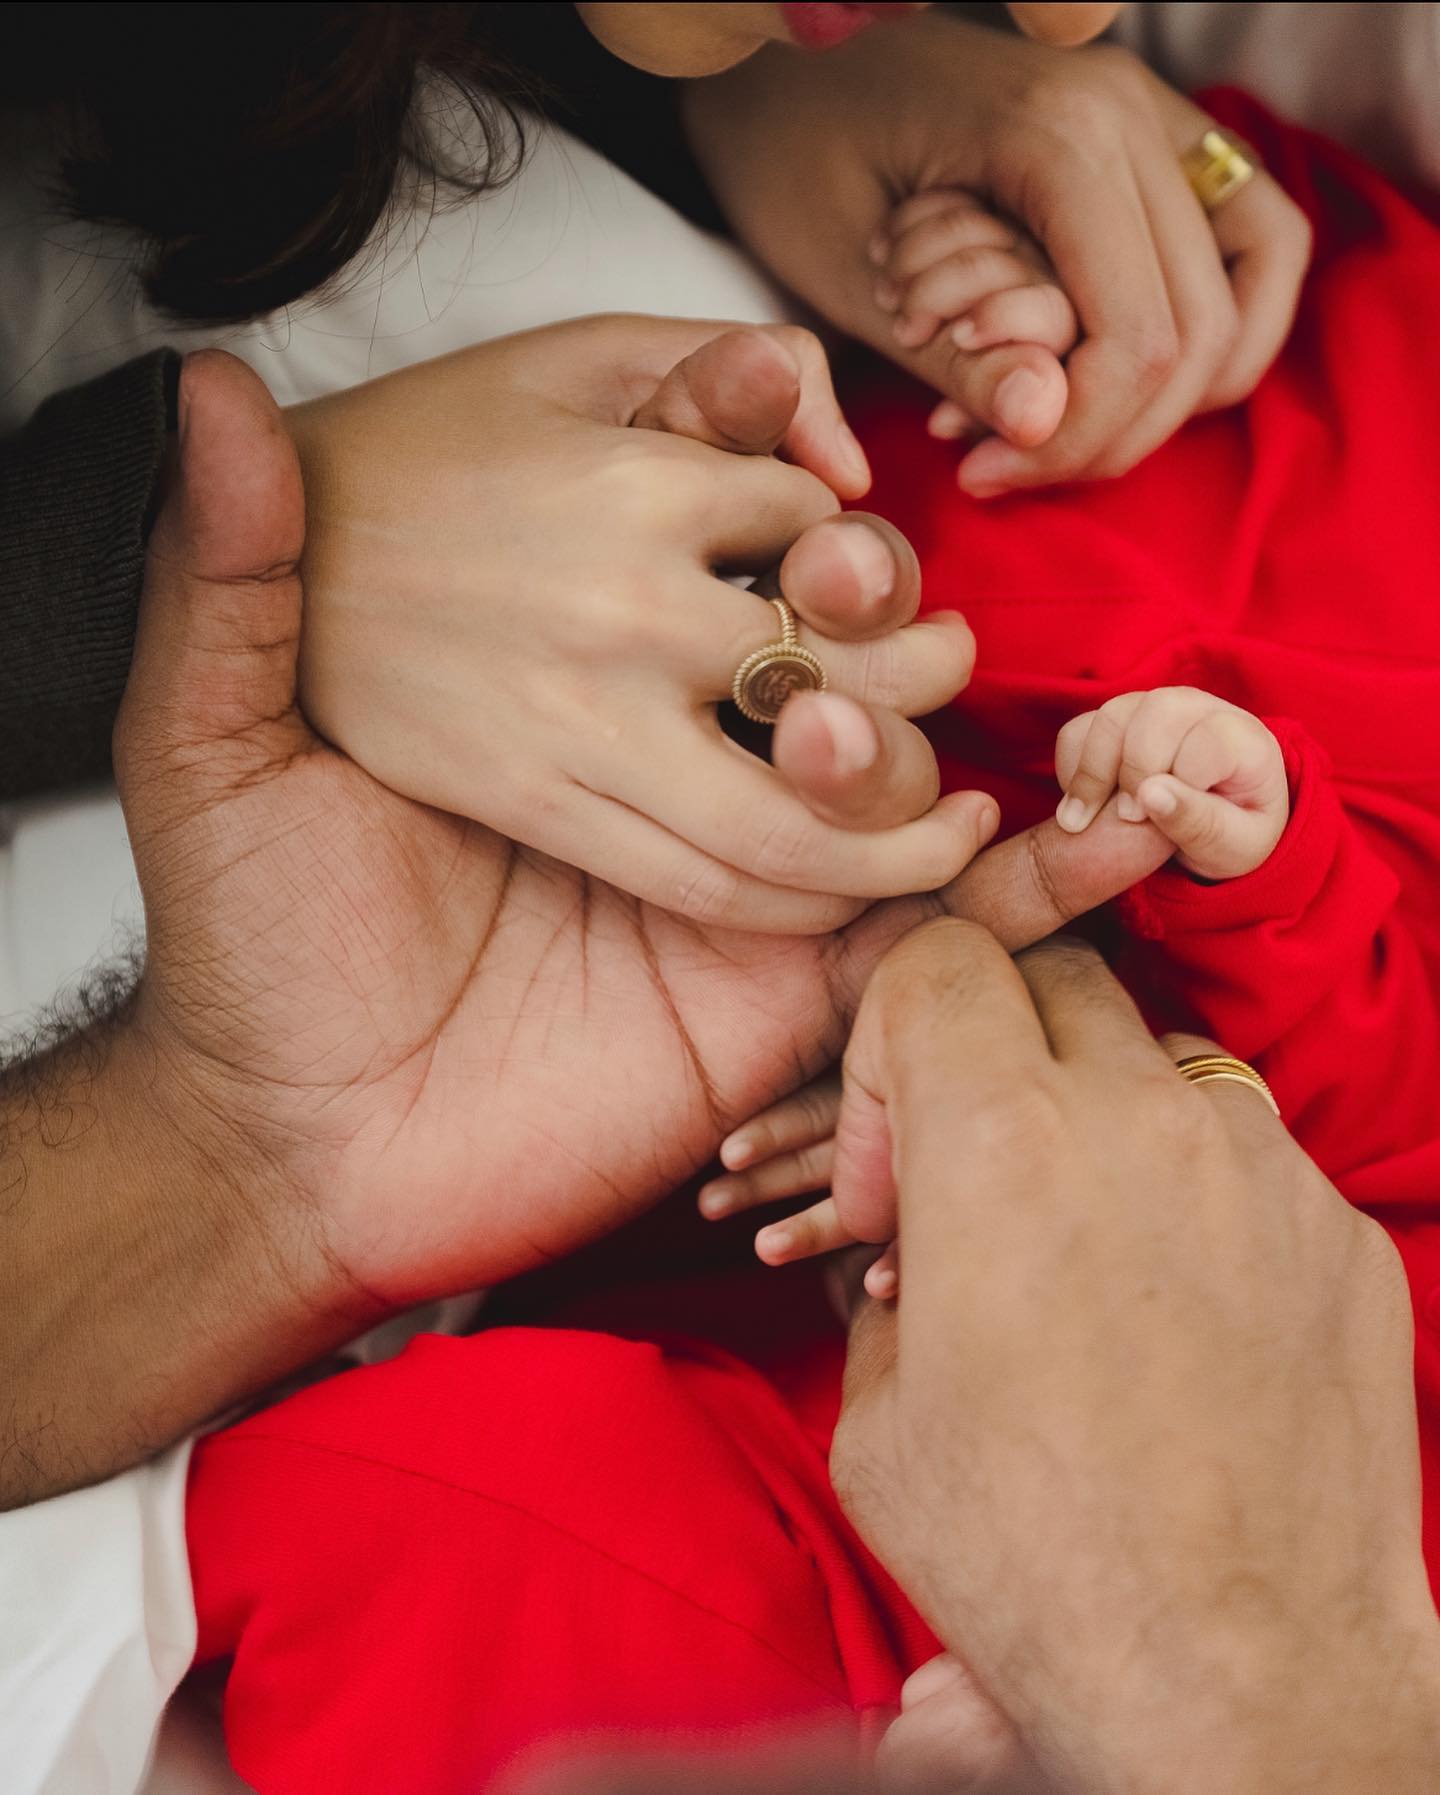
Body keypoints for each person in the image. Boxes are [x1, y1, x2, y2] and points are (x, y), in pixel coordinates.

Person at [173, 93, 1440, 1789]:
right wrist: (1257, 883)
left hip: (803, 1348)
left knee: (457, 1514)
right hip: (996, 767)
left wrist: (1060, 1723)